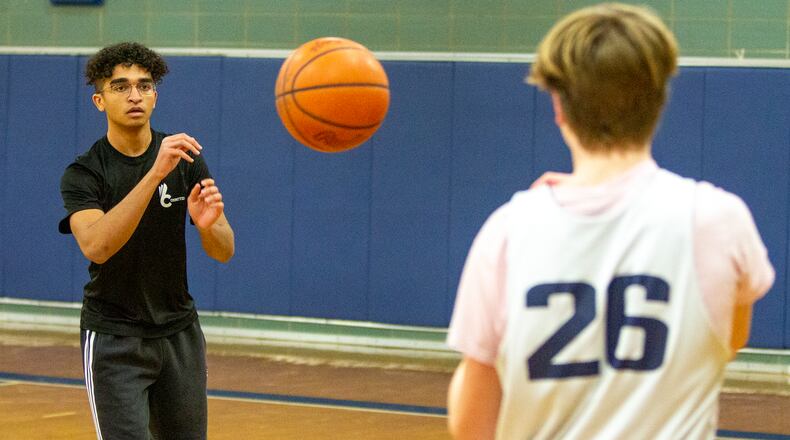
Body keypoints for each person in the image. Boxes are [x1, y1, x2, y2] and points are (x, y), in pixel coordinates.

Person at [445, 4, 775, 439]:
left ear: (559, 105)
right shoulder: (719, 220)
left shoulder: (507, 232)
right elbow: (727, 342)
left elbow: (472, 425)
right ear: (659, 100)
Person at [59, 42, 234, 439]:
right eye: (120, 87)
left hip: (179, 333)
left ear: (156, 95)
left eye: (145, 85)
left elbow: (224, 250)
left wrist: (208, 224)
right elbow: (97, 246)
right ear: (99, 101)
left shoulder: (184, 156)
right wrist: (154, 174)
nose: (135, 95)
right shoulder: (84, 173)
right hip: (114, 337)